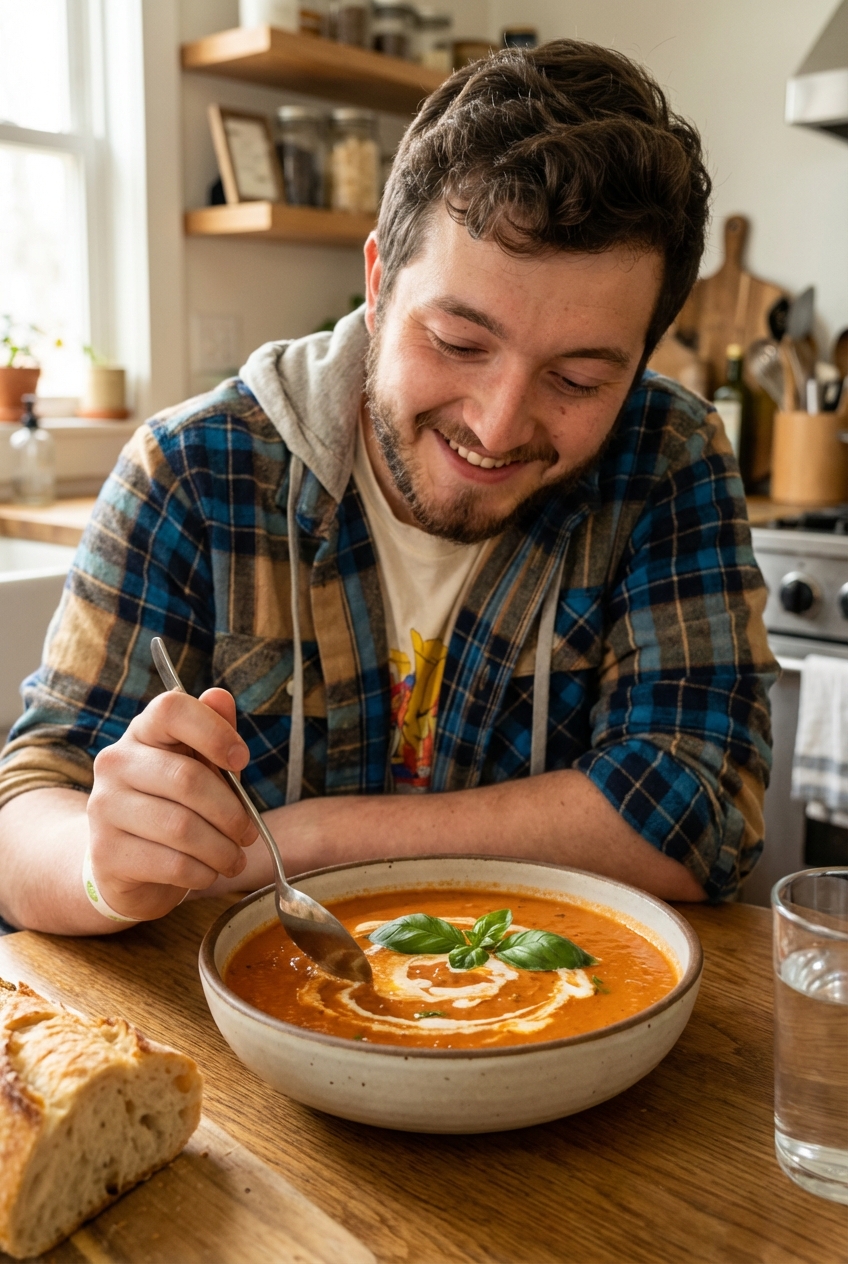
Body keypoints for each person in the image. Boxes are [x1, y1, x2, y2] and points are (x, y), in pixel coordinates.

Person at [0, 40, 776, 935]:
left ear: (639, 364)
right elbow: (29, 810)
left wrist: (305, 839)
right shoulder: (189, 470)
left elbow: (699, 813)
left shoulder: (669, 456)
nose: (496, 425)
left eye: (579, 379)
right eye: (457, 342)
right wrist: (102, 865)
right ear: (375, 284)